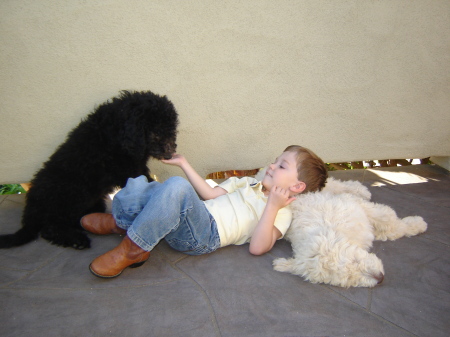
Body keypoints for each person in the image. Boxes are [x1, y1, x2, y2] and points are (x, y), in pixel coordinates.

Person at [81, 145, 328, 278]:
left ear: (297, 186)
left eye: (282, 165)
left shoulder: (282, 213)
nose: (272, 165)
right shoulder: (248, 183)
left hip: (203, 236)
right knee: (145, 186)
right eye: (276, 160)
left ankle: (133, 248)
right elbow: (210, 195)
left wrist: (272, 206)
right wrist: (183, 164)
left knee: (176, 187)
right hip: (196, 214)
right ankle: (121, 223)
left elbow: (258, 247)